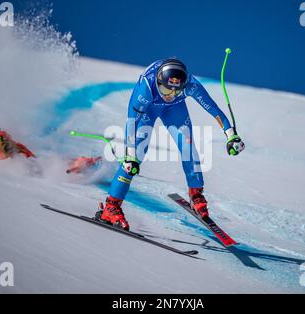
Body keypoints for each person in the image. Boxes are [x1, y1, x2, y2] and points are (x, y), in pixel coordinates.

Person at [96, 58, 245, 230]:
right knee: (136, 156)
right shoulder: (147, 87)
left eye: (176, 90)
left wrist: (231, 135)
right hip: (149, 107)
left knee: (188, 146)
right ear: (159, 82)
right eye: (166, 88)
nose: (169, 94)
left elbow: (213, 108)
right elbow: (132, 122)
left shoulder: (190, 85)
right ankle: (111, 207)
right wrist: (130, 156)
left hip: (175, 108)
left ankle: (196, 195)